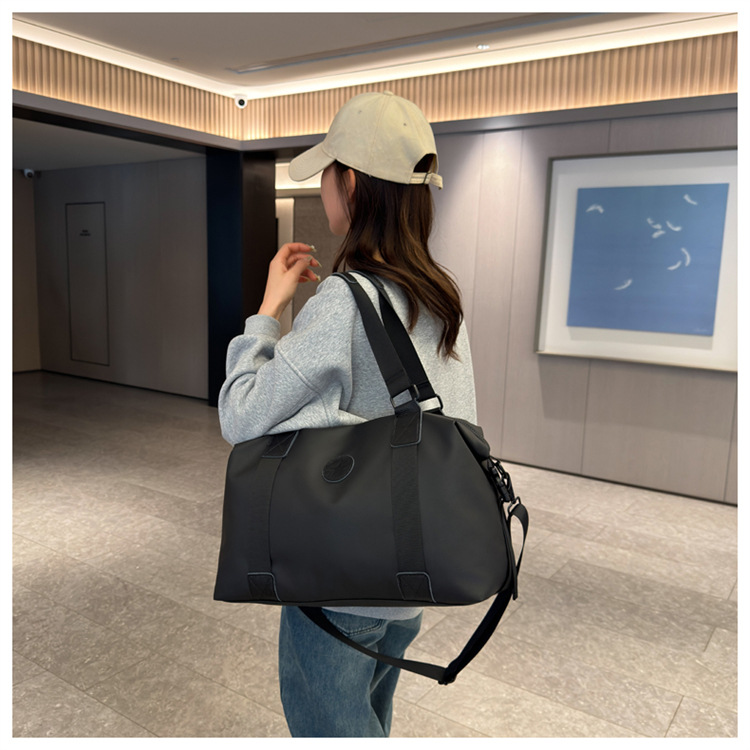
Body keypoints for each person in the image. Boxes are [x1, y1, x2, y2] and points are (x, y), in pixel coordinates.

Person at [218, 91, 478, 737]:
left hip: (345, 583)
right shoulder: (439, 296)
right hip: (410, 572)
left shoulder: (343, 299)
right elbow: (441, 426)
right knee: (369, 724)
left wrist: (268, 311)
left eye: (328, 173)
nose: (324, 187)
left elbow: (241, 414)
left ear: (352, 183)